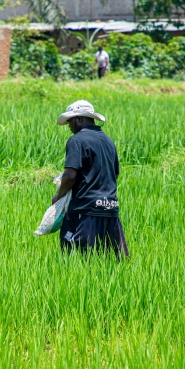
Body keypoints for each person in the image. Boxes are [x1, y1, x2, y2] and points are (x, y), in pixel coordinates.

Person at [52, 100, 129, 257]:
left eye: (70, 122)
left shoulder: (76, 140)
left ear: (80, 119)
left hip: (84, 211)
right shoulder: (108, 141)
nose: (69, 126)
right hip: (110, 209)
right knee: (111, 261)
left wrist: (58, 196)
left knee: (77, 259)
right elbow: (115, 175)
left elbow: (70, 176)